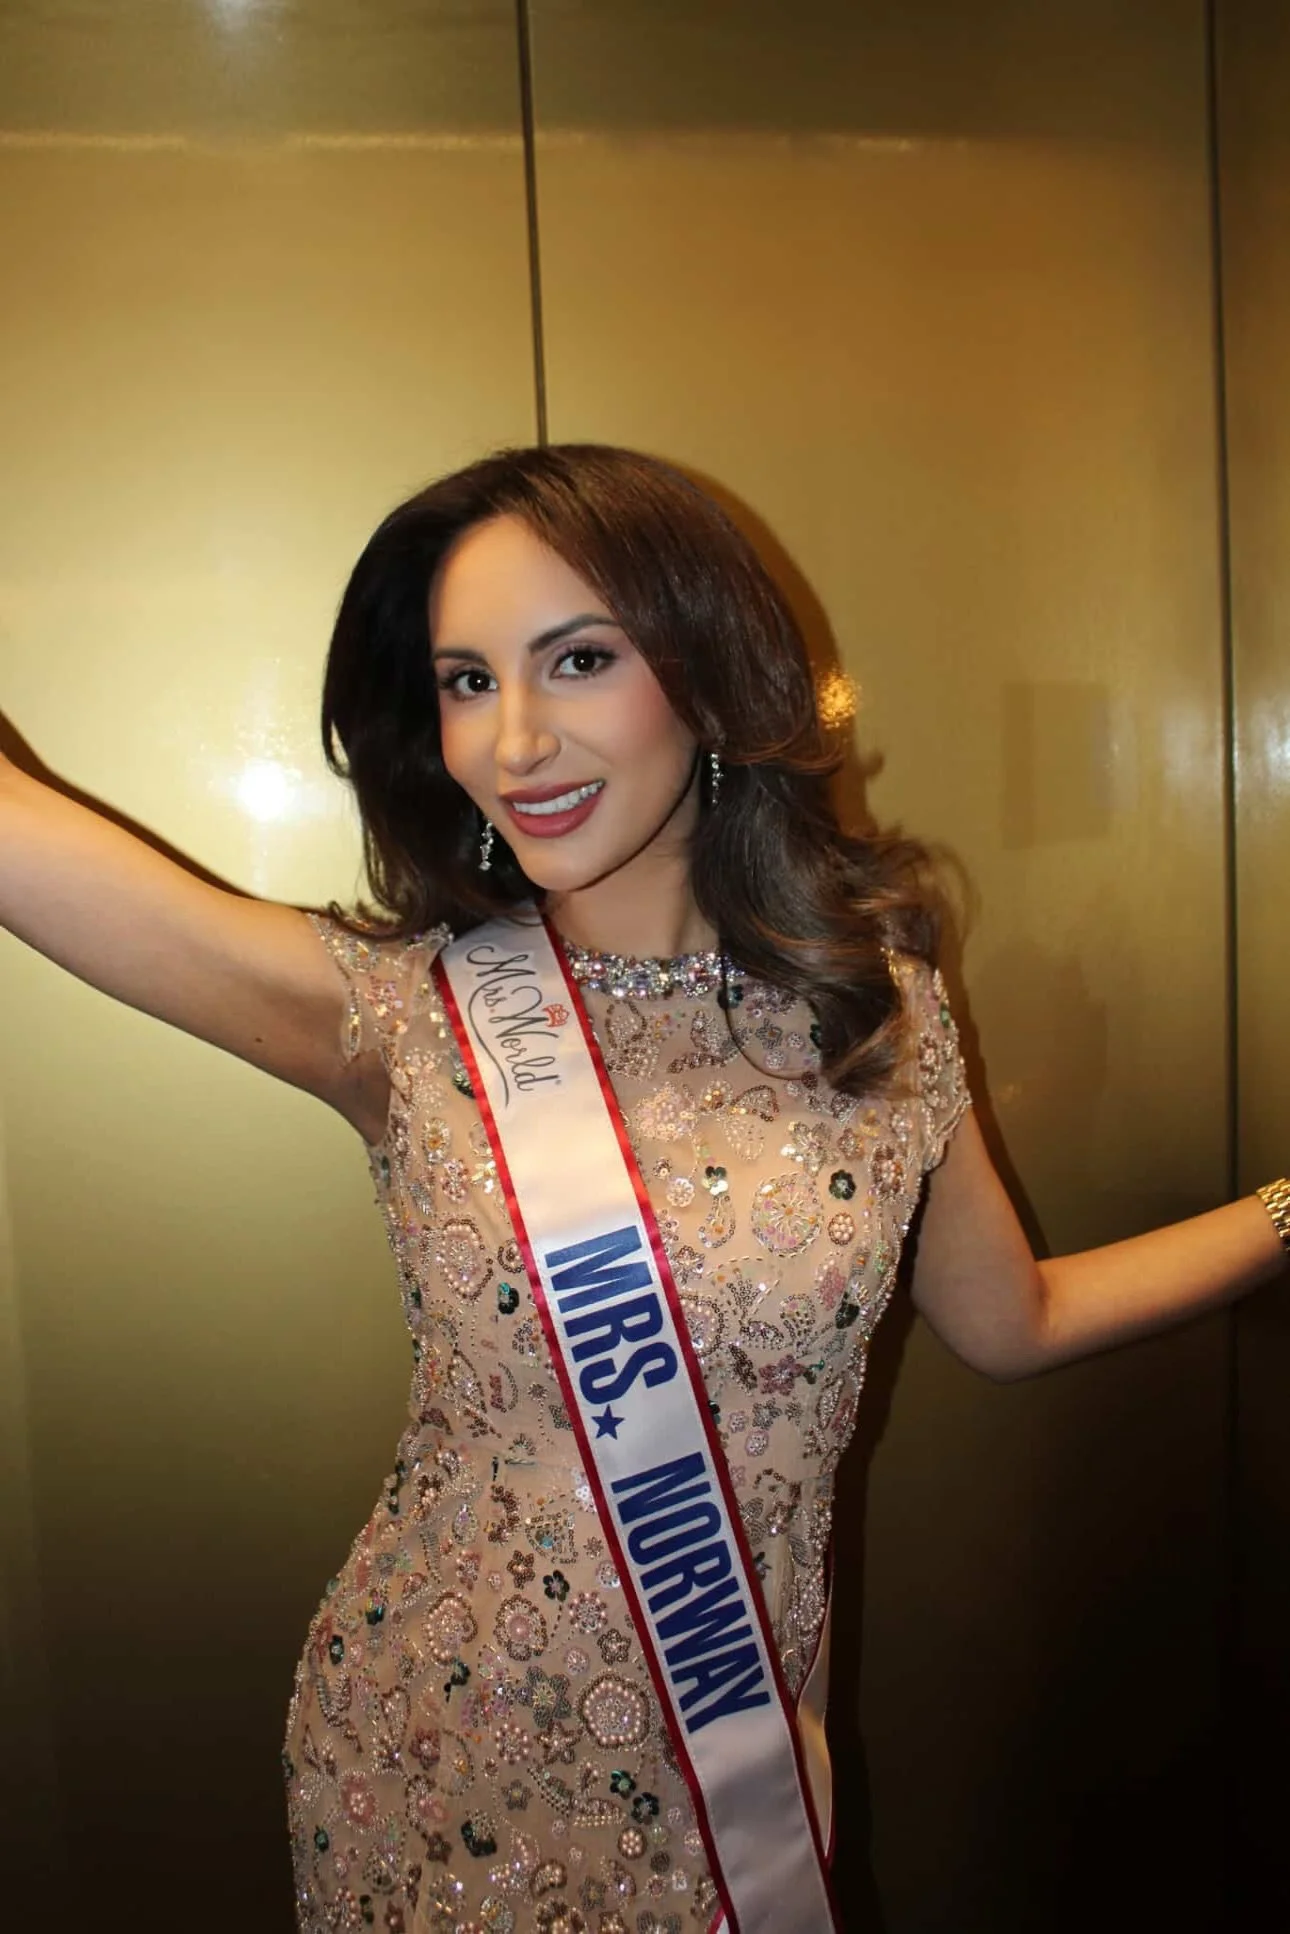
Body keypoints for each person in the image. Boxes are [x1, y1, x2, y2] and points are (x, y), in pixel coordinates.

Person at [0, 443, 1285, 1934]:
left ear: (708, 674)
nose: (515, 741)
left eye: (580, 659)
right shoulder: (401, 1016)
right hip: (430, 1763)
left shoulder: (877, 1018)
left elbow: (1013, 1318)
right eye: (467, 680)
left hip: (730, 1778)